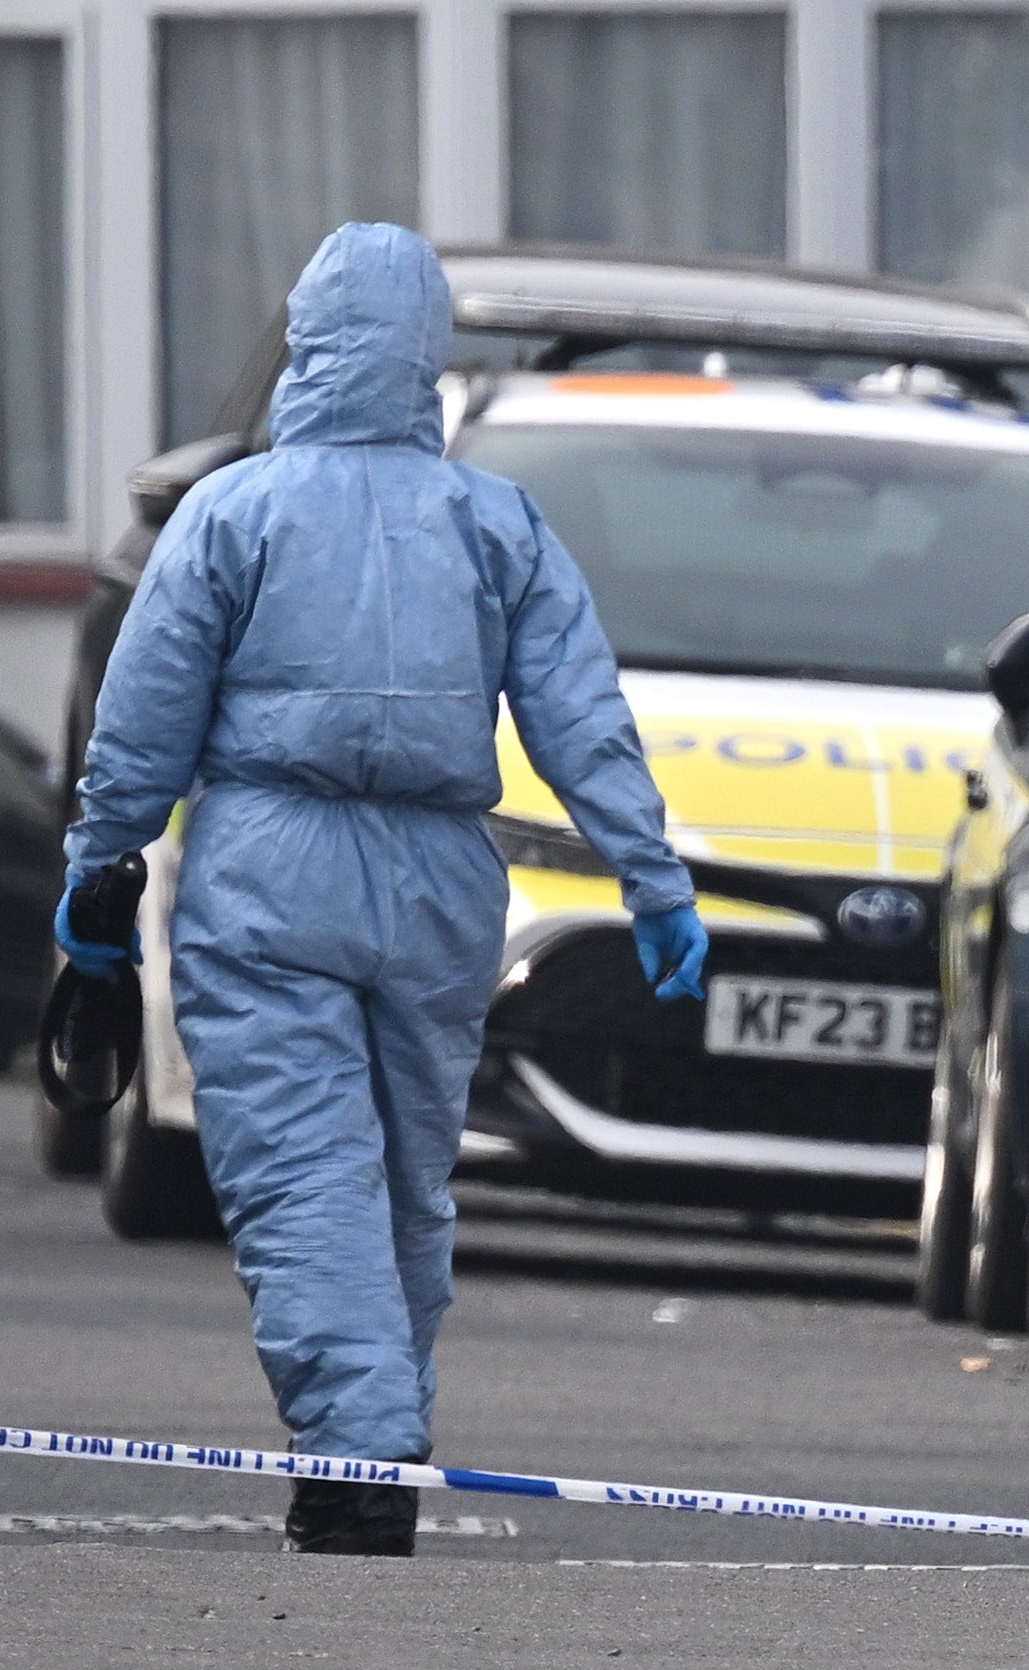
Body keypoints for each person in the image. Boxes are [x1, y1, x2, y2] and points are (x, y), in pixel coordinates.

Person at [63, 223, 705, 1556]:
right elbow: (583, 716)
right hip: (439, 884)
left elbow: (145, 713)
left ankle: (357, 1449)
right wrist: (651, 879)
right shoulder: (493, 521)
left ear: (305, 337)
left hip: (269, 870)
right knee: (407, 1180)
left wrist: (101, 866)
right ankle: (380, 1427)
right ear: (431, 357)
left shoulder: (233, 513)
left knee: (304, 1171)